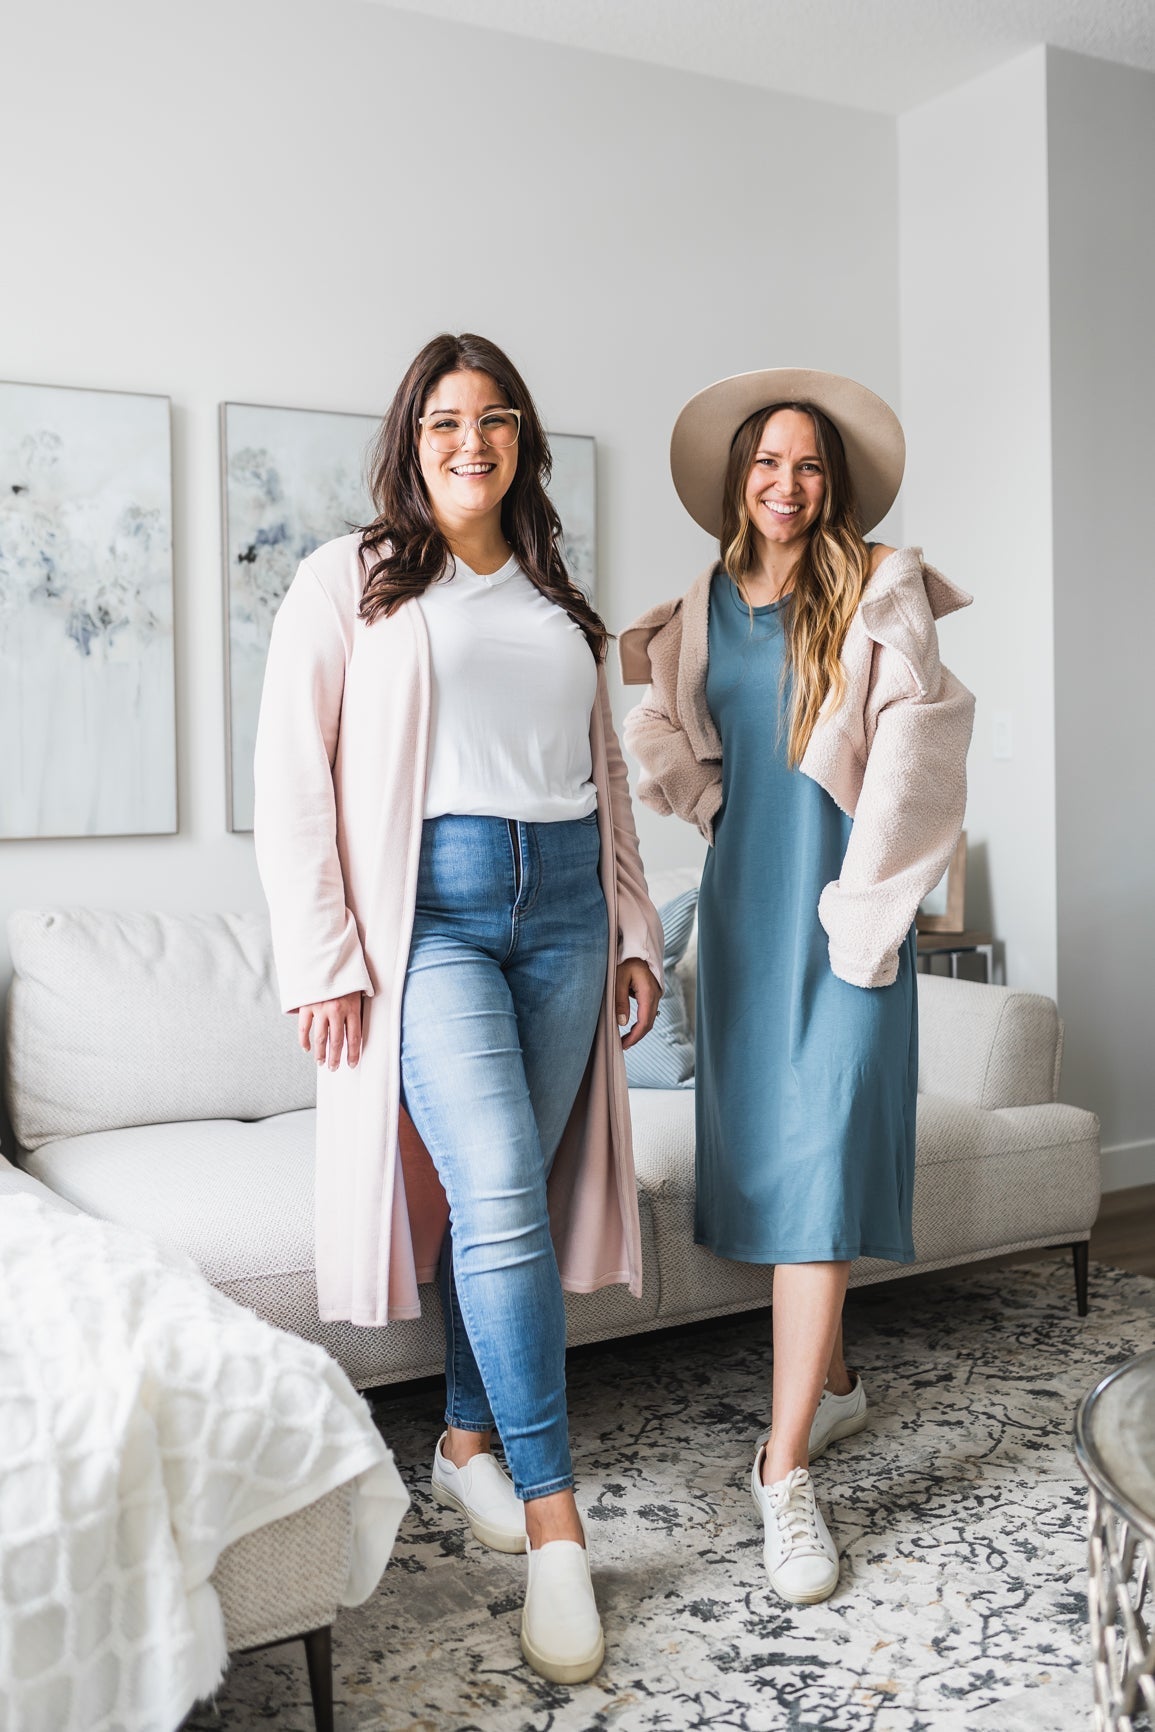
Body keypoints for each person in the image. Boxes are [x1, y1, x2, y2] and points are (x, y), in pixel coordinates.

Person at [253, 332, 663, 1682]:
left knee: (522, 1192)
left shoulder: (556, 597)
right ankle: (556, 1528)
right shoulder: (349, 583)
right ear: (409, 441)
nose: (469, 441)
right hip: (425, 916)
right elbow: (293, 781)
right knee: (488, 1183)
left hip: (558, 912)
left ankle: (465, 1444)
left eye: (493, 419)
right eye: (443, 421)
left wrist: (632, 931)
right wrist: (323, 960)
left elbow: (600, 776)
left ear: (520, 440)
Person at [620, 368, 974, 1605]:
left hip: (851, 915)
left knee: (824, 1158)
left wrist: (870, 908)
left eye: (810, 465)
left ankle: (781, 1477)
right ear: (737, 479)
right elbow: (662, 732)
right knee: (783, 1162)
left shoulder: (877, 590)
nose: (787, 483)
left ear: (835, 485)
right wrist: (715, 806)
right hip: (751, 916)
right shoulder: (702, 606)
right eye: (769, 462)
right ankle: (831, 1388)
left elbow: (924, 755)